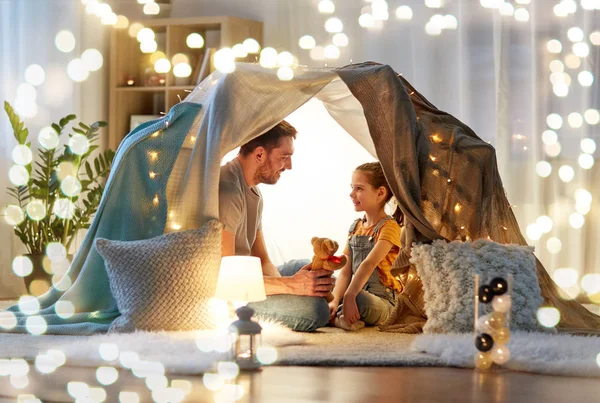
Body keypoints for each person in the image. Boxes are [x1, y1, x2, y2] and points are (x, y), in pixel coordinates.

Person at [219, 120, 335, 332]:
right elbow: (226, 278)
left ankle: (340, 303)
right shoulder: (227, 190)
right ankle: (331, 308)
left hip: (251, 279)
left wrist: (298, 284)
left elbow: (262, 260)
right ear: (260, 154)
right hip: (232, 293)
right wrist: (292, 285)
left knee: (310, 269)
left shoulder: (254, 192)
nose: (289, 166)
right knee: (315, 310)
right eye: (285, 157)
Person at [328, 162, 404, 331]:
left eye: (359, 189)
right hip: (354, 291)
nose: (351, 193)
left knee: (360, 300)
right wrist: (334, 299)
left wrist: (349, 295)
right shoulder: (355, 227)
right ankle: (339, 316)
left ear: (380, 193)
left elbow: (368, 264)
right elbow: (345, 272)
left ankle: (337, 317)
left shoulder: (389, 227)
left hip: (381, 300)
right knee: (324, 292)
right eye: (352, 187)